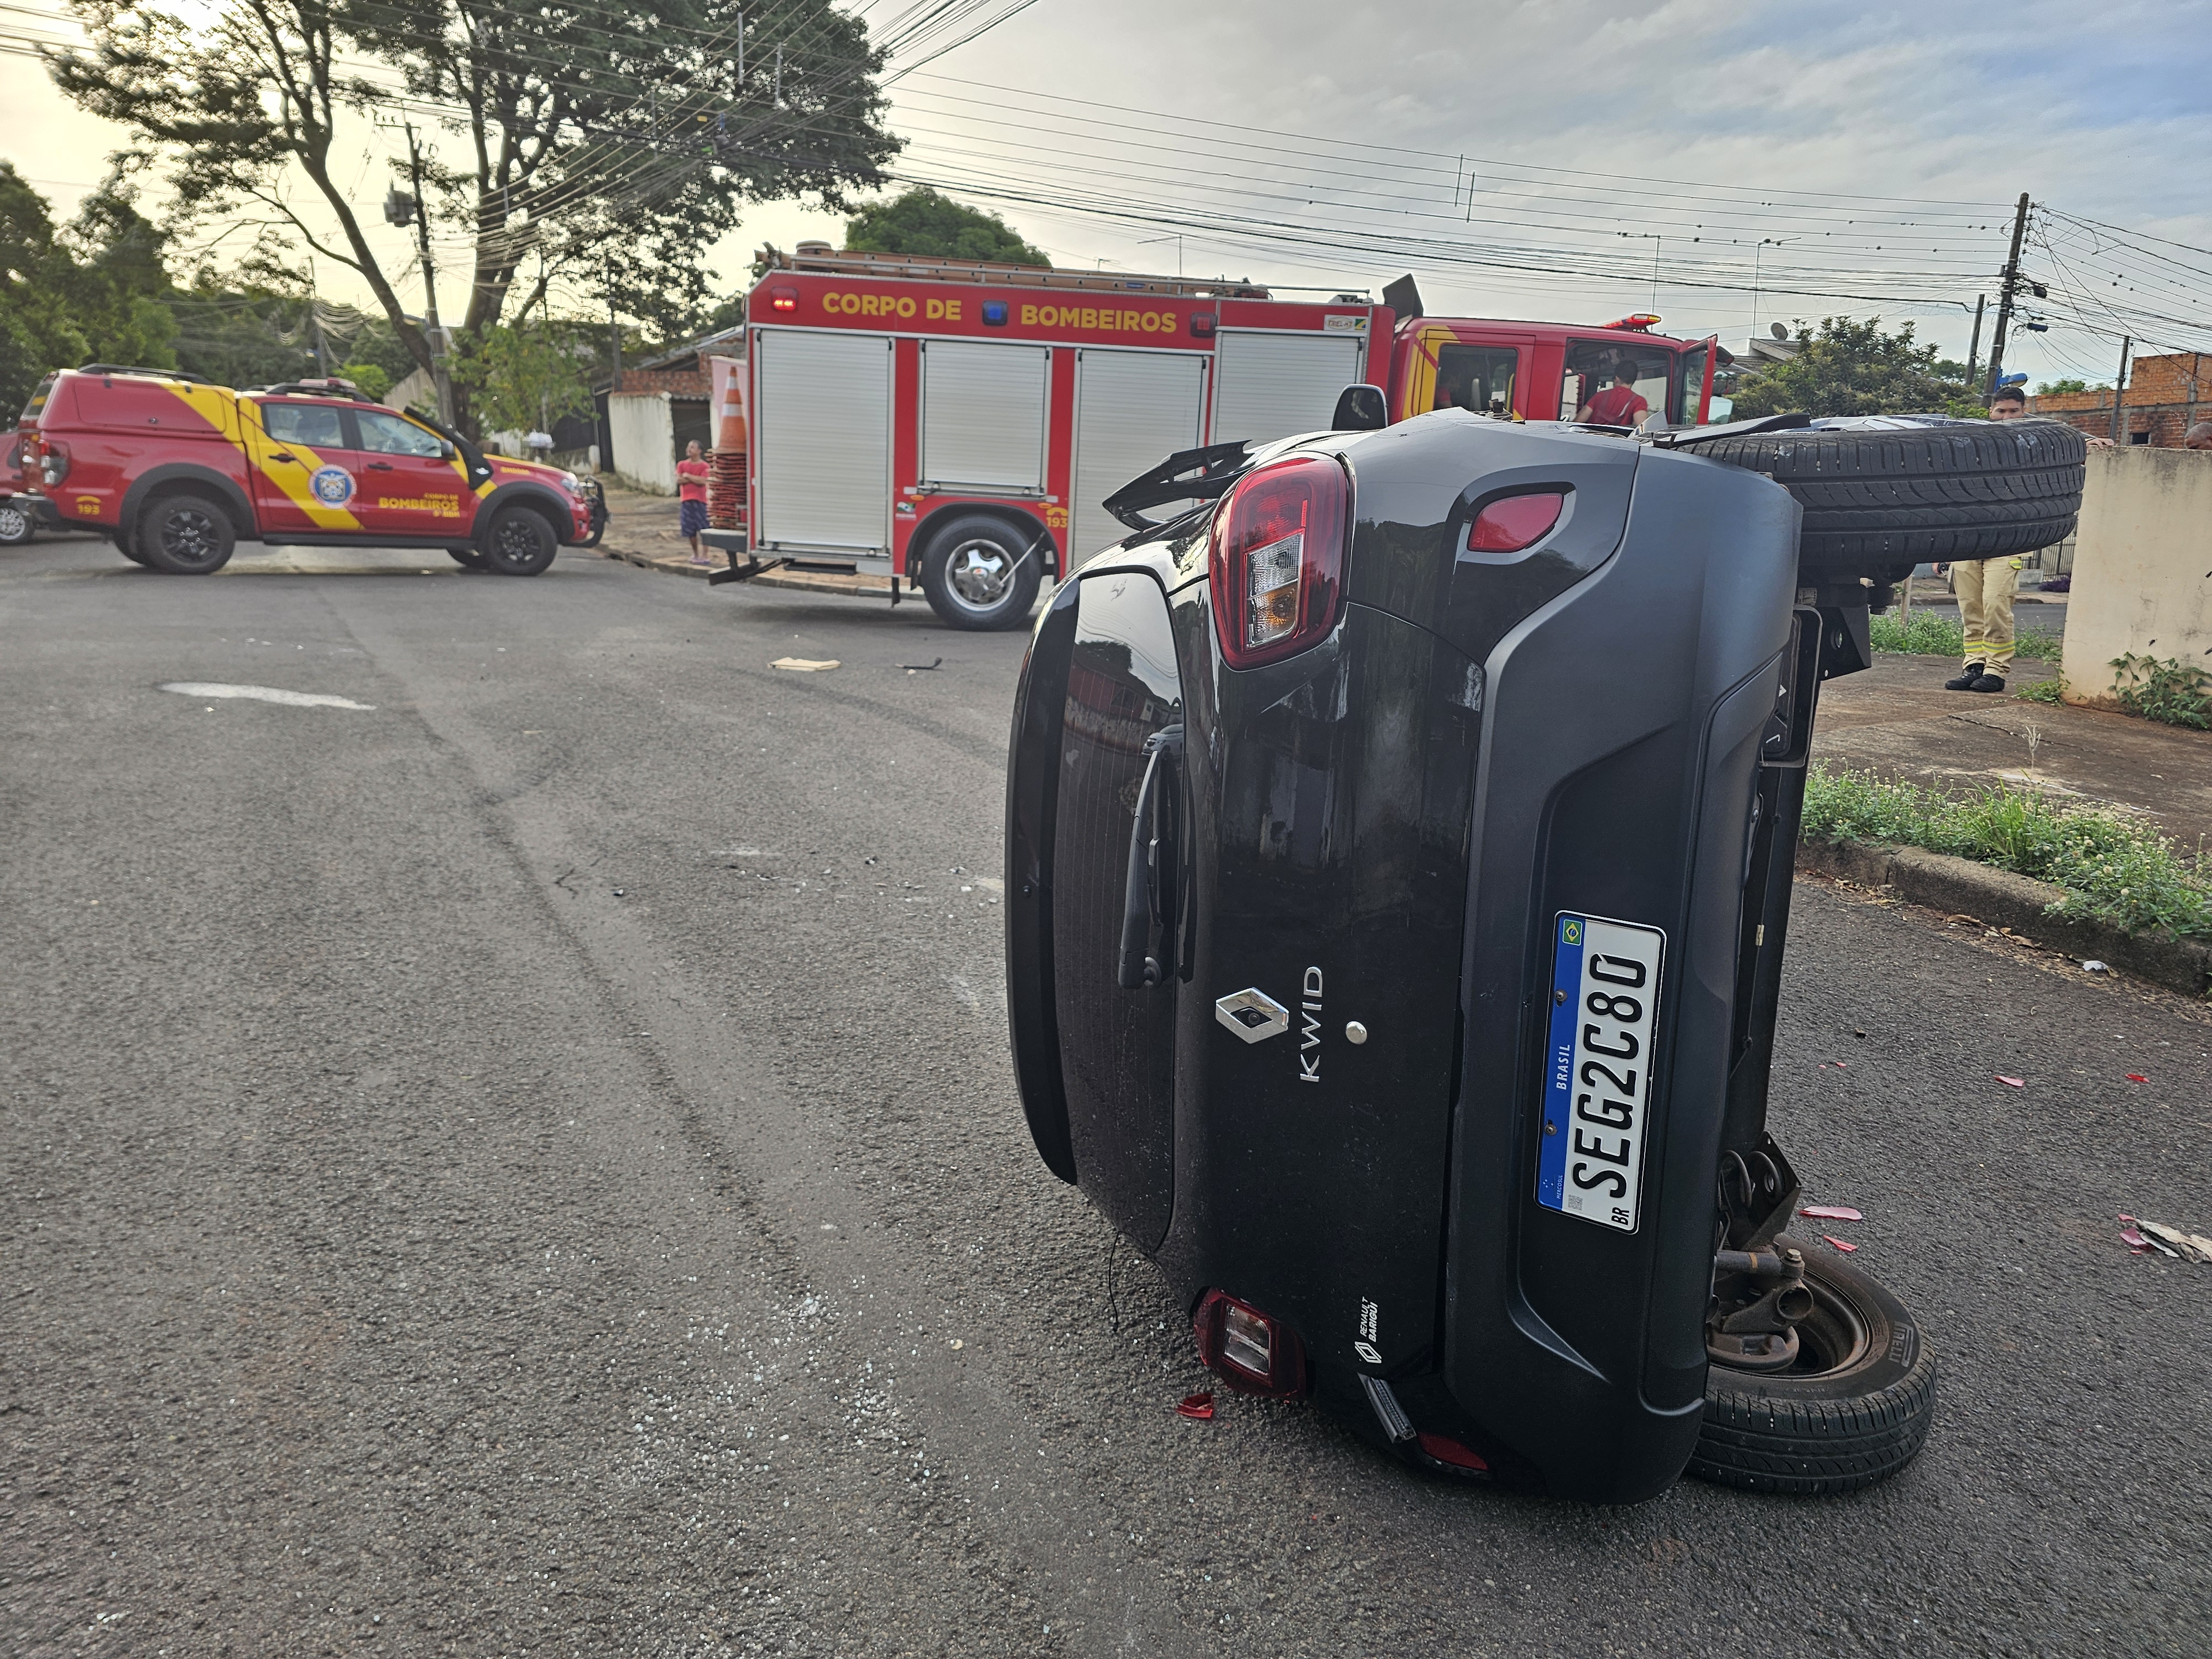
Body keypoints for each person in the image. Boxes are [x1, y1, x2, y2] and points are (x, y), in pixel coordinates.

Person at [1577, 364, 1648, 428]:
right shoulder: (1639, 401)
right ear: (1633, 380)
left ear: (1617, 379)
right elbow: (1642, 429)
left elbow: (1579, 421)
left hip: (1591, 439)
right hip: (1617, 442)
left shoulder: (1599, 396)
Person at [676, 440, 711, 560]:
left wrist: (689, 476)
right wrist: (694, 479)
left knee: (705, 528)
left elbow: (703, 481)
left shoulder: (705, 466)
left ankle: (705, 555)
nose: (689, 449)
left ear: (699, 451)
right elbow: (679, 480)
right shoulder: (682, 465)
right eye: (688, 447)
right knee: (689, 530)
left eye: (692, 447)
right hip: (686, 501)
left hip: (701, 501)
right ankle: (696, 554)